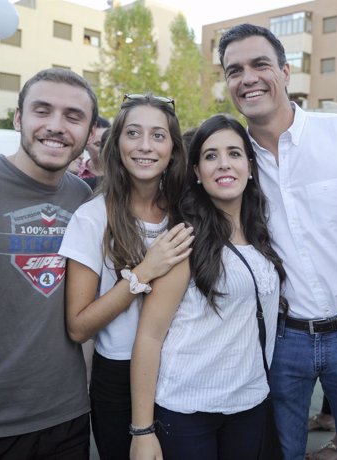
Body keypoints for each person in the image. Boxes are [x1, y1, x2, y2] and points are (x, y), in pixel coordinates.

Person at [218, 23, 337, 460]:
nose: (248, 78)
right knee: (281, 453)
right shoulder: (231, 159)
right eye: (234, 70)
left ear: (285, 72)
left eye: (260, 64)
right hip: (280, 341)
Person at [129, 114, 286, 460]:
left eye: (234, 153)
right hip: (188, 411)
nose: (224, 164)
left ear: (250, 165)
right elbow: (150, 336)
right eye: (211, 156)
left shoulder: (262, 234)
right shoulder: (185, 239)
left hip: (250, 403)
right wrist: (142, 431)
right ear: (197, 172)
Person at [0, 67, 96, 459]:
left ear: (90, 134)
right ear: (19, 118)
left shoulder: (84, 197)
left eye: (73, 116)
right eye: (43, 111)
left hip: (67, 416)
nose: (56, 126)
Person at [59, 93, 193, 459]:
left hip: (184, 370)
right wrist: (143, 273)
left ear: (173, 149)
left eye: (158, 135)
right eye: (133, 133)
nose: (145, 146)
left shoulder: (187, 210)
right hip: (118, 377)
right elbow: (78, 327)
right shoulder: (92, 218)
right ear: (116, 144)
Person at [78, 115, 111, 189]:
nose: (106, 148)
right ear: (85, 146)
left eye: (108, 143)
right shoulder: (75, 173)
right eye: (98, 144)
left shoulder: (124, 173)